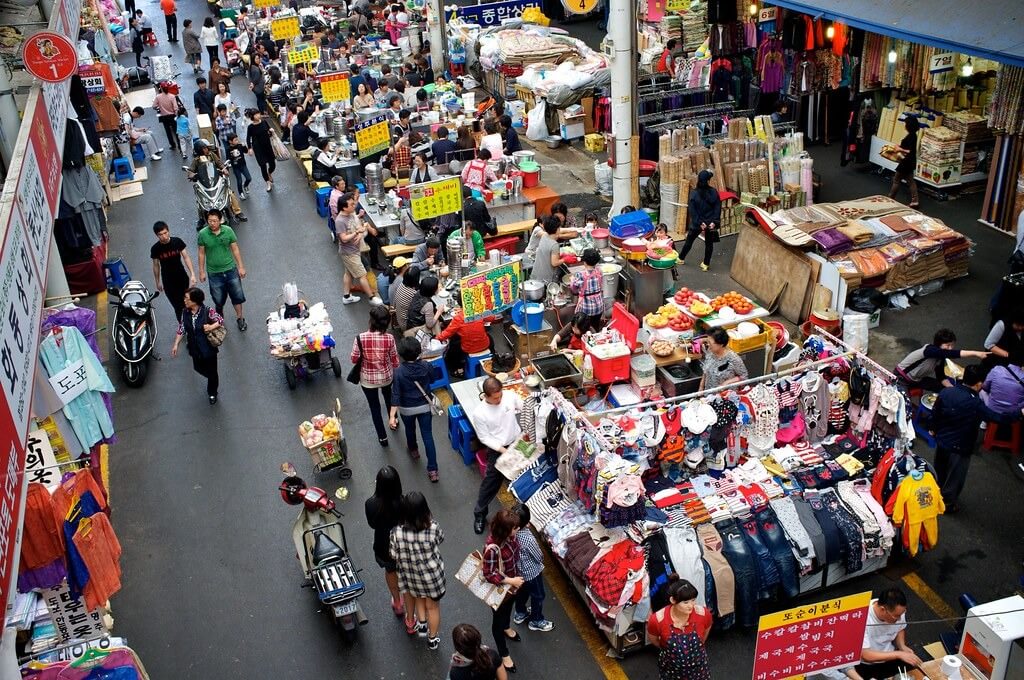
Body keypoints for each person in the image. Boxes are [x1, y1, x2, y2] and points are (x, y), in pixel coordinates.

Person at [930, 364, 1023, 511]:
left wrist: (934, 430)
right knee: (955, 478)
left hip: (942, 441)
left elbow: (936, 413)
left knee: (939, 470)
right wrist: (1020, 413)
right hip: (961, 447)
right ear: (979, 383)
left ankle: (933, 496)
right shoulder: (975, 404)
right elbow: (997, 418)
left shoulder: (947, 393)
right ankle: (947, 504)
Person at [389, 492, 445, 650]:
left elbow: (393, 555)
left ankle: (421, 625)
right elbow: (440, 539)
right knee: (432, 607)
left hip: (411, 576)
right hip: (433, 577)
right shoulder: (433, 527)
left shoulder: (396, 533)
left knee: (419, 597)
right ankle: (432, 640)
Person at [473, 378, 523, 534]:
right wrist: (503, 451)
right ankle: (480, 514)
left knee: (522, 477)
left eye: (500, 396)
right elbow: (484, 438)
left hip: (517, 442)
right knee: (491, 482)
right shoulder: (480, 413)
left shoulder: (509, 396)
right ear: (486, 396)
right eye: (495, 398)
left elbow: (523, 407)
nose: (499, 400)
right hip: (498, 449)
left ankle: (520, 515)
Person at [389, 337, 441, 481]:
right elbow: (433, 380)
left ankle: (413, 450)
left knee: (410, 430)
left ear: (401, 354)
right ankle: (433, 470)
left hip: (406, 409)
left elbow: (396, 394)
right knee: (428, 436)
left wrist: (392, 416)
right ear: (418, 351)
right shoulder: (426, 366)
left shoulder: (398, 372)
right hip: (424, 406)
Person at [844, 588, 921, 680]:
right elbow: (866, 655)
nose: (900, 619)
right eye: (896, 616)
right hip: (866, 664)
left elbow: (900, 629)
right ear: (883, 609)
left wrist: (902, 646)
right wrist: (899, 654)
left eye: (902, 614)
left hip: (890, 656)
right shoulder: (860, 618)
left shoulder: (898, 612)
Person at [482, 509, 524, 674]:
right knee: (497, 621)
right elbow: (488, 573)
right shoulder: (492, 548)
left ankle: (507, 627)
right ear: (505, 530)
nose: (518, 530)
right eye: (514, 528)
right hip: (500, 589)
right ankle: (503, 652)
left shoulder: (511, 537)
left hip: (512, 586)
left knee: (508, 610)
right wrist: (510, 580)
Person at [646, 577, 712, 679]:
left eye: (693, 600)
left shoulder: (704, 614)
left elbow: (705, 634)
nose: (691, 605)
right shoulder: (657, 620)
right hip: (671, 669)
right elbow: (655, 640)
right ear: (673, 600)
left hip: (698, 668)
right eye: (685, 602)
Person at [351, 305, 399, 447]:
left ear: (371, 320)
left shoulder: (360, 338)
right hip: (386, 377)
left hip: (367, 380)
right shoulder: (389, 338)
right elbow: (395, 360)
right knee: (389, 399)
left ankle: (382, 438)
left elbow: (354, 359)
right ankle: (394, 419)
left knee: (374, 407)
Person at [364, 465, 406, 618]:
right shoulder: (405, 502)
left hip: (384, 547)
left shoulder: (371, 504)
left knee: (390, 571)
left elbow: (372, 525)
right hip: (405, 547)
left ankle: (398, 602)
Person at [170, 287, 224, 404]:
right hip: (195, 348)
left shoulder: (207, 311)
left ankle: (212, 392)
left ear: (195, 301)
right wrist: (176, 344)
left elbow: (220, 320)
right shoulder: (185, 312)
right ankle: (212, 378)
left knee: (212, 372)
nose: (184, 300)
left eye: (187, 298)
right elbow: (182, 328)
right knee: (198, 367)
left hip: (208, 348)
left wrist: (210, 327)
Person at [196, 209, 248, 330]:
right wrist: (202, 271)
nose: (212, 223)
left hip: (230, 270)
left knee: (237, 297)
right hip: (214, 273)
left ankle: (240, 318)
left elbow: (235, 249)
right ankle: (219, 320)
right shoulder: (203, 234)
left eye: (214, 221)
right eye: (209, 221)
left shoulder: (228, 231)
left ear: (220, 220)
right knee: (218, 300)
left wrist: (241, 267)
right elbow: (201, 253)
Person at [895, 329, 989, 392]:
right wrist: (976, 353)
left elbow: (941, 377)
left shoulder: (940, 358)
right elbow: (952, 354)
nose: (950, 348)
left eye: (952, 345)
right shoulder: (930, 350)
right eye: (947, 345)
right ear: (938, 344)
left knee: (942, 388)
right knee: (903, 406)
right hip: (901, 379)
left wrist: (952, 389)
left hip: (917, 380)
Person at [510, 504, 553, 632]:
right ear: (527, 522)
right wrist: (541, 561)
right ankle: (536, 620)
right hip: (532, 573)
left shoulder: (511, 533)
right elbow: (537, 555)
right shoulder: (528, 539)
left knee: (521, 593)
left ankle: (520, 613)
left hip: (518, 572)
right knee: (538, 596)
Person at [336, 193, 383, 305]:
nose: (354, 206)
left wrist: (360, 233)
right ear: (344, 207)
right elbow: (343, 238)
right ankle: (371, 298)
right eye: (351, 205)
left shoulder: (351, 214)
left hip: (355, 250)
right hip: (348, 253)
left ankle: (346, 296)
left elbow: (358, 228)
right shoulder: (340, 221)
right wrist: (356, 233)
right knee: (362, 275)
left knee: (348, 273)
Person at [151, 221, 196, 322]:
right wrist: (157, 281)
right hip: (168, 280)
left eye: (165, 233)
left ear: (168, 231)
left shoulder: (177, 242)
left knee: (186, 302)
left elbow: (186, 257)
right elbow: (156, 265)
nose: (164, 236)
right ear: (157, 235)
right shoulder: (155, 249)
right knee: (177, 306)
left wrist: (192, 274)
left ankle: (190, 322)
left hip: (182, 277)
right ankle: (182, 324)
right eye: (160, 234)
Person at [679, 170, 721, 271]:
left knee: (689, 241)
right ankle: (705, 264)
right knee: (709, 244)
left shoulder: (694, 194)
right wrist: (714, 222)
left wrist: (699, 223)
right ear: (708, 181)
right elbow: (717, 207)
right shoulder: (714, 192)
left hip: (698, 223)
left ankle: (681, 258)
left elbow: (693, 211)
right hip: (710, 222)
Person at [437, 307, 491, 378]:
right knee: (489, 336)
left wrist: (436, 339)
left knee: (454, 345)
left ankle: (456, 368)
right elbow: (492, 318)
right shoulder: (478, 311)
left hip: (470, 348)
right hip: (485, 344)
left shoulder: (459, 318)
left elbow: (446, 334)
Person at [888, 117, 920, 208]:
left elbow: (910, 151)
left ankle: (890, 198)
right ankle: (915, 201)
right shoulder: (913, 135)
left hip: (906, 162)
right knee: (910, 181)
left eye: (905, 123)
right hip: (909, 162)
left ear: (909, 125)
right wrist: (900, 146)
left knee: (896, 180)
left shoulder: (911, 136)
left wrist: (899, 148)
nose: (904, 125)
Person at [245, 108, 276, 191]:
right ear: (252, 116)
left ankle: (269, 173)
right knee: (263, 166)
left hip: (267, 146)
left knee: (272, 164)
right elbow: (248, 138)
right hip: (258, 148)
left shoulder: (264, 122)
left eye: (258, 113)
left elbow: (269, 130)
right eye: (256, 114)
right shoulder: (250, 127)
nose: (258, 115)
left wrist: (271, 131)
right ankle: (268, 183)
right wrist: (250, 148)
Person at [529, 217, 564, 283]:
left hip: (536, 275)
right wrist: (565, 259)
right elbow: (554, 263)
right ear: (557, 229)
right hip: (546, 280)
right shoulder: (554, 245)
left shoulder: (544, 236)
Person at [153, 84, 180, 154]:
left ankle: (172, 145)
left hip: (164, 117)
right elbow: (175, 107)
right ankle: (180, 145)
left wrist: (159, 107)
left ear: (161, 88)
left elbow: (154, 106)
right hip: (172, 116)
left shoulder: (158, 97)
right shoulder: (172, 96)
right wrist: (176, 114)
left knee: (168, 131)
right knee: (176, 131)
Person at [225, 133, 252, 199]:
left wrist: (244, 146)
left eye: (237, 139)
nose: (237, 141)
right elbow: (228, 158)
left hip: (243, 165)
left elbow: (246, 151)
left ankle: (245, 186)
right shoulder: (228, 149)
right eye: (235, 140)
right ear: (230, 141)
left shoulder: (240, 146)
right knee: (239, 181)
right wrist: (228, 163)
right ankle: (241, 193)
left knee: (249, 178)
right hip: (236, 167)